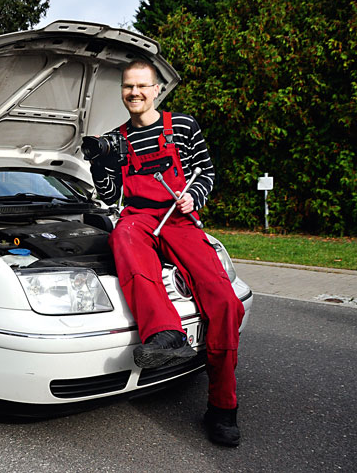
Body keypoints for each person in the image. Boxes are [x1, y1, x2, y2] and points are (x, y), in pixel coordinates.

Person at [82, 59, 245, 447]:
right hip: (138, 218)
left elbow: (206, 170)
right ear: (122, 92)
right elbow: (109, 196)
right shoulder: (116, 140)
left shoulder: (183, 127)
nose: (134, 93)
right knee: (122, 237)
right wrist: (100, 164)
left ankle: (223, 408)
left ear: (156, 90)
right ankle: (166, 335)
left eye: (141, 86)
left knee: (223, 301)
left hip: (179, 219)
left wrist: (194, 195)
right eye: (127, 87)